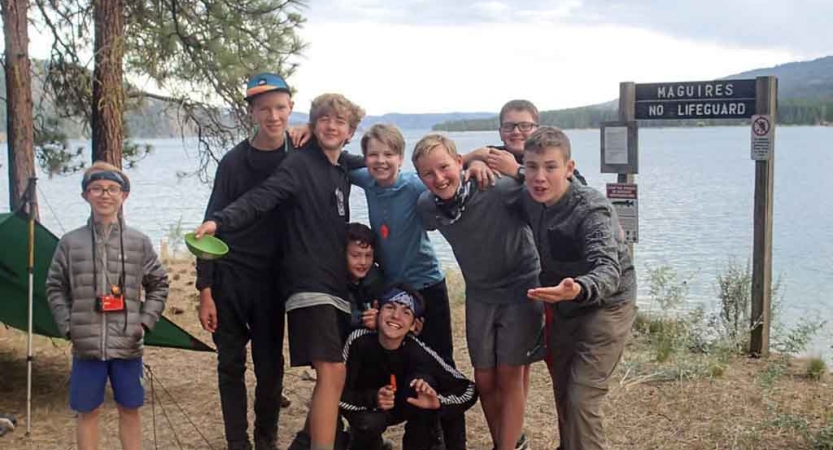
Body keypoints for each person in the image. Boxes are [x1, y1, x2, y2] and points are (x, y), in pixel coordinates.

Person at [194, 93, 365, 450]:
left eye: (340, 122)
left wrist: (466, 159)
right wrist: (219, 221)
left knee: (332, 374)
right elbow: (262, 197)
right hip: (307, 283)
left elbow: (383, 164)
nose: (331, 126)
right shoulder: (300, 165)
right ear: (314, 125)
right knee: (331, 372)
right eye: (324, 120)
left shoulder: (342, 168)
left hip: (333, 284)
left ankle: (289, 440)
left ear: (350, 131)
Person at [413, 134, 543, 450]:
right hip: (480, 294)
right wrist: (474, 156)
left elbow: (548, 199)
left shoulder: (498, 188)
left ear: (458, 163)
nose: (439, 178)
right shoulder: (428, 208)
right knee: (484, 379)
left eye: (445, 167)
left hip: (520, 288)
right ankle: (510, 441)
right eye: (428, 174)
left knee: (510, 375)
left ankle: (506, 446)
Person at [348, 123, 469, 448]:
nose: (381, 161)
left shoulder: (416, 184)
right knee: (403, 361)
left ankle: (455, 440)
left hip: (428, 285)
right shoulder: (366, 179)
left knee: (441, 363)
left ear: (401, 159)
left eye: (389, 154)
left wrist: (481, 157)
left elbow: (451, 173)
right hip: (393, 290)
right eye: (373, 154)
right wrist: (303, 135)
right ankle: (419, 432)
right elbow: (340, 161)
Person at [196, 72, 296, 450]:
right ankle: (237, 442)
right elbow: (210, 226)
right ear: (252, 112)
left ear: (290, 108)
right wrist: (205, 289)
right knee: (230, 367)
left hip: (273, 282)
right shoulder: (234, 162)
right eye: (264, 109)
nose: (274, 116)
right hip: (231, 279)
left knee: (270, 369)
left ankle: (265, 438)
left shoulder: (298, 156)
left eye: (281, 108)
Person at [522, 127, 636, 450]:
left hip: (608, 304)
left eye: (550, 167)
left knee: (581, 397)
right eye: (532, 167)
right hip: (565, 303)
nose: (540, 177)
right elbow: (512, 172)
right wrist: (475, 160)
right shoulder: (530, 194)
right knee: (564, 392)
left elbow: (608, 270)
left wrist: (579, 288)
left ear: (569, 168)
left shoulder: (591, 209)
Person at [46, 162, 169, 450]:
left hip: (128, 343)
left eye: (113, 189)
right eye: (97, 189)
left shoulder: (138, 242)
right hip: (86, 346)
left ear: (124, 195)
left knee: (130, 409)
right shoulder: (70, 243)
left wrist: (143, 323)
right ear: (86, 195)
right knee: (88, 411)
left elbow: (159, 284)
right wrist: (69, 326)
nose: (105, 195)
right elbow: (54, 287)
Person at [340, 286, 478, 450]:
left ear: (414, 325)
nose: (396, 316)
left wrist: (438, 403)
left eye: (406, 312)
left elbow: (467, 389)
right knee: (368, 423)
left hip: (407, 404)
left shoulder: (418, 351)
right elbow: (334, 393)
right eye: (390, 307)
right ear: (377, 312)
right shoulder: (358, 341)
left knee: (423, 392)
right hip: (367, 408)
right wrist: (373, 399)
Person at [462, 99, 586, 185]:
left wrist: (517, 171)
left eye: (525, 126)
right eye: (509, 126)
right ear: (500, 132)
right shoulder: (492, 155)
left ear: (537, 130)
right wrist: (475, 160)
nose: (516, 131)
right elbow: (449, 166)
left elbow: (579, 189)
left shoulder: (552, 160)